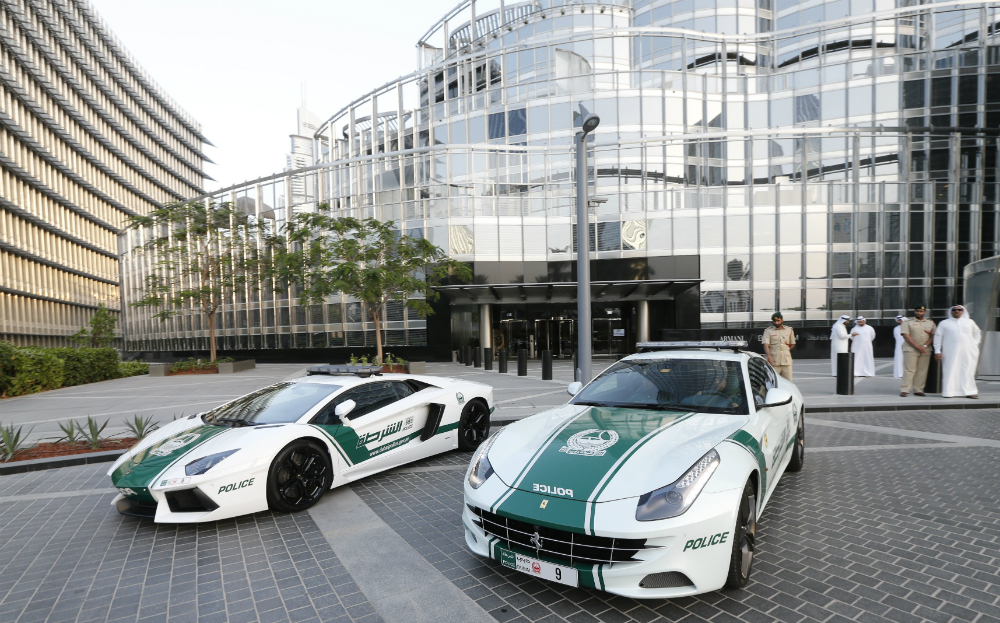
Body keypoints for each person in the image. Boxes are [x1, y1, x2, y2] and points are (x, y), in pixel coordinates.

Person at [933, 305, 982, 398]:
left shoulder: (970, 322)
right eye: (954, 310)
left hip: (968, 351)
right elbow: (938, 338)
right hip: (950, 351)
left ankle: (970, 391)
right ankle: (949, 392)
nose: (957, 311)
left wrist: (974, 344)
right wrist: (937, 351)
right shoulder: (944, 323)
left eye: (959, 310)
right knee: (950, 370)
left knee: (968, 370)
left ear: (963, 311)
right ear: (951, 312)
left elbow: (977, 333)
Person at [900, 305, 936, 397]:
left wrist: (924, 346)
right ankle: (905, 389)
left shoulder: (930, 323)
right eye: (917, 311)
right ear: (914, 312)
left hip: (925, 350)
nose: (919, 313)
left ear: (924, 312)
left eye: (921, 311)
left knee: (922, 370)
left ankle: (918, 389)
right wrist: (917, 346)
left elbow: (933, 336)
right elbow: (906, 336)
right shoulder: (907, 322)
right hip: (910, 349)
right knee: (909, 370)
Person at [762, 312, 796, 381]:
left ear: (782, 320)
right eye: (774, 321)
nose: (776, 323)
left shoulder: (789, 330)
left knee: (788, 382)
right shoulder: (768, 331)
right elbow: (766, 345)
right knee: (773, 382)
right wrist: (769, 356)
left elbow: (793, 343)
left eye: (778, 321)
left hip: (786, 361)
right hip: (774, 361)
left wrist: (786, 350)